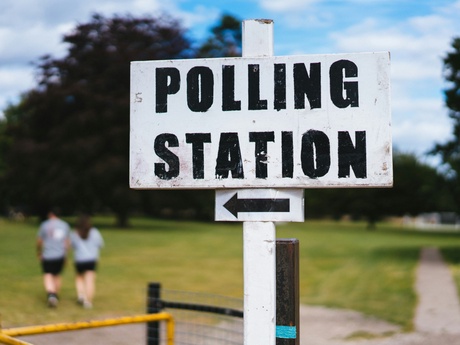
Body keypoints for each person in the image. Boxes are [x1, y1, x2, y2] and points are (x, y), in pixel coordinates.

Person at [36, 209, 71, 308]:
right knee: (57, 275)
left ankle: (51, 295)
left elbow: (39, 241)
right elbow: (67, 242)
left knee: (48, 275)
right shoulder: (64, 225)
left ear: (50, 214)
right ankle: (56, 294)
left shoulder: (44, 225)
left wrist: (39, 252)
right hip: (60, 255)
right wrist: (66, 255)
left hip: (47, 255)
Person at [70, 215, 104, 309]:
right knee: (90, 281)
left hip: (79, 260)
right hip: (92, 259)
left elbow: (72, 245)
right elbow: (100, 244)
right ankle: (88, 302)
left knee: (79, 278)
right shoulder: (95, 232)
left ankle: (81, 295)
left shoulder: (75, 233)